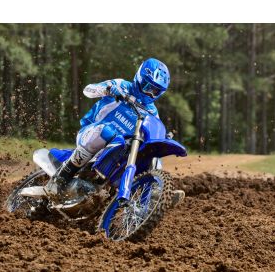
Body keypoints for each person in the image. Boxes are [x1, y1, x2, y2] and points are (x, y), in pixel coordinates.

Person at [46, 57, 185, 206]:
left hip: (120, 149)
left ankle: (155, 193)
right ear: (139, 78)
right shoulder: (122, 86)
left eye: (155, 91)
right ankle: (61, 177)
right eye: (147, 87)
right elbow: (88, 90)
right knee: (107, 131)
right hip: (92, 134)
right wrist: (107, 89)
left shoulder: (152, 113)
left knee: (153, 155)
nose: (150, 93)